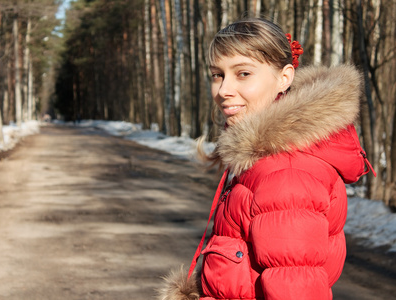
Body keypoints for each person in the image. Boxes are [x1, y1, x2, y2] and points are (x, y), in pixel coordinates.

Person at [159, 17, 374, 300]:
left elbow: (295, 290)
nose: (224, 90)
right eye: (217, 74)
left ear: (284, 77)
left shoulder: (286, 172)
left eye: (243, 73)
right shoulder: (264, 158)